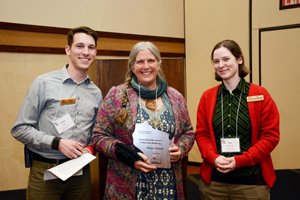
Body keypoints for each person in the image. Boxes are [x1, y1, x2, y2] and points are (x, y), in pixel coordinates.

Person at [92, 41, 195, 199]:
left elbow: (188, 132)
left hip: (168, 186)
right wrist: (129, 157)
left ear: (159, 65)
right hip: (128, 184)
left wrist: (181, 148)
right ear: (132, 67)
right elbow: (99, 136)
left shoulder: (176, 97)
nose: (146, 66)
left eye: (151, 61)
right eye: (140, 61)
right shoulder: (116, 96)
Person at [11, 26, 103, 200]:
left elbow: (96, 133)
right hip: (47, 172)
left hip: (80, 173)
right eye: (79, 46)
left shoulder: (96, 92)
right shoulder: (43, 83)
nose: (85, 52)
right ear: (68, 50)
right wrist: (56, 143)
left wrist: (90, 148)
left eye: (91, 47)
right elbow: (20, 129)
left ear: (95, 52)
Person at [195, 39, 280, 200]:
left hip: (251, 183)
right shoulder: (208, 97)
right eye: (216, 61)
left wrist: (240, 160)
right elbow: (202, 134)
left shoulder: (260, 94)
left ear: (239, 59)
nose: (221, 65)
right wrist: (214, 158)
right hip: (214, 184)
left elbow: (270, 137)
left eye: (226, 59)